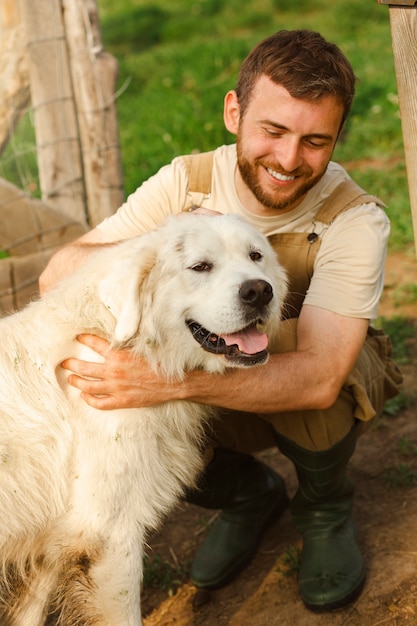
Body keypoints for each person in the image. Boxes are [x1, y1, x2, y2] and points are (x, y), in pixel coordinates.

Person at [40, 29, 402, 612]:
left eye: (315, 141)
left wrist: (169, 382)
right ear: (234, 112)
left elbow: (320, 378)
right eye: (274, 131)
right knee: (136, 353)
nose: (288, 160)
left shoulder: (354, 218)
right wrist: (160, 250)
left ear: (337, 138)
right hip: (213, 384)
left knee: (335, 372)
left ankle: (325, 510)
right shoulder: (186, 183)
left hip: (292, 384)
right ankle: (246, 495)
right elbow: (58, 275)